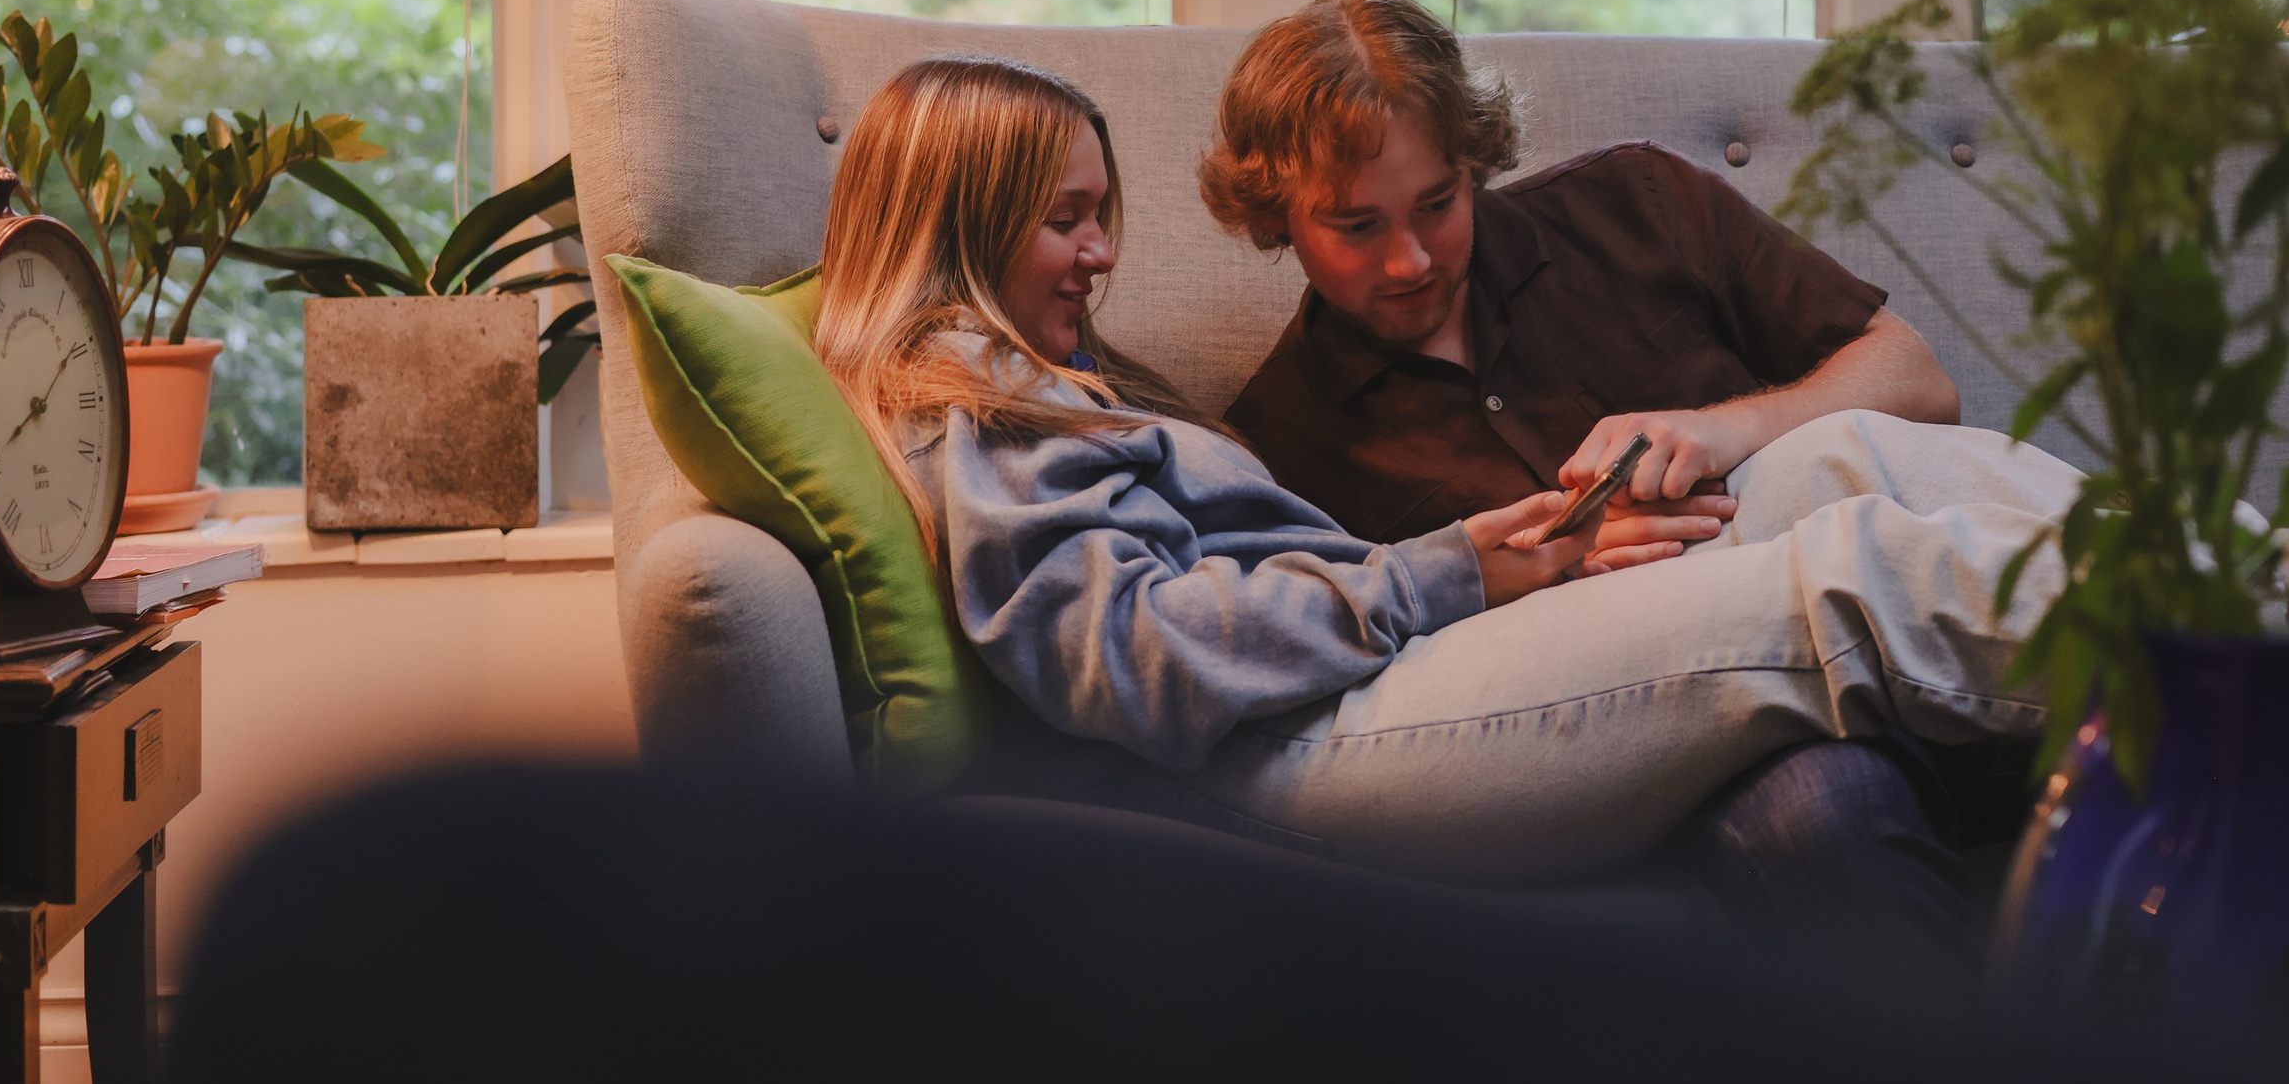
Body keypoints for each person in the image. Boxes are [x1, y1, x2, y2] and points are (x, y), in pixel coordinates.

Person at [814, 53, 2079, 885]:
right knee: (1847, 577)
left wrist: (1510, 561)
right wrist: (1456, 571)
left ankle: (2254, 574)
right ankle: (2247, 676)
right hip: (1305, 736)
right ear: (961, 218)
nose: (1098, 254)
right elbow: (1129, 655)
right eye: (1063, 220)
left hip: (1362, 682)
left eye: (1100, 215)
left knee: (1839, 454)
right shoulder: (970, 400)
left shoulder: (1043, 381)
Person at [1202, 0, 2038, 921]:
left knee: (2166, 732)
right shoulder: (1276, 442)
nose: (1411, 262)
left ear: (1472, 158)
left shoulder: (1635, 202)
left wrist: (1729, 425)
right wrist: (1554, 574)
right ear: (1276, 216)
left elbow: (1917, 379)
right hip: (1716, 740)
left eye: (1438, 203)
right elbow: (1400, 720)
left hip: (1917, 626)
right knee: (1830, 815)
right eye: (1356, 227)